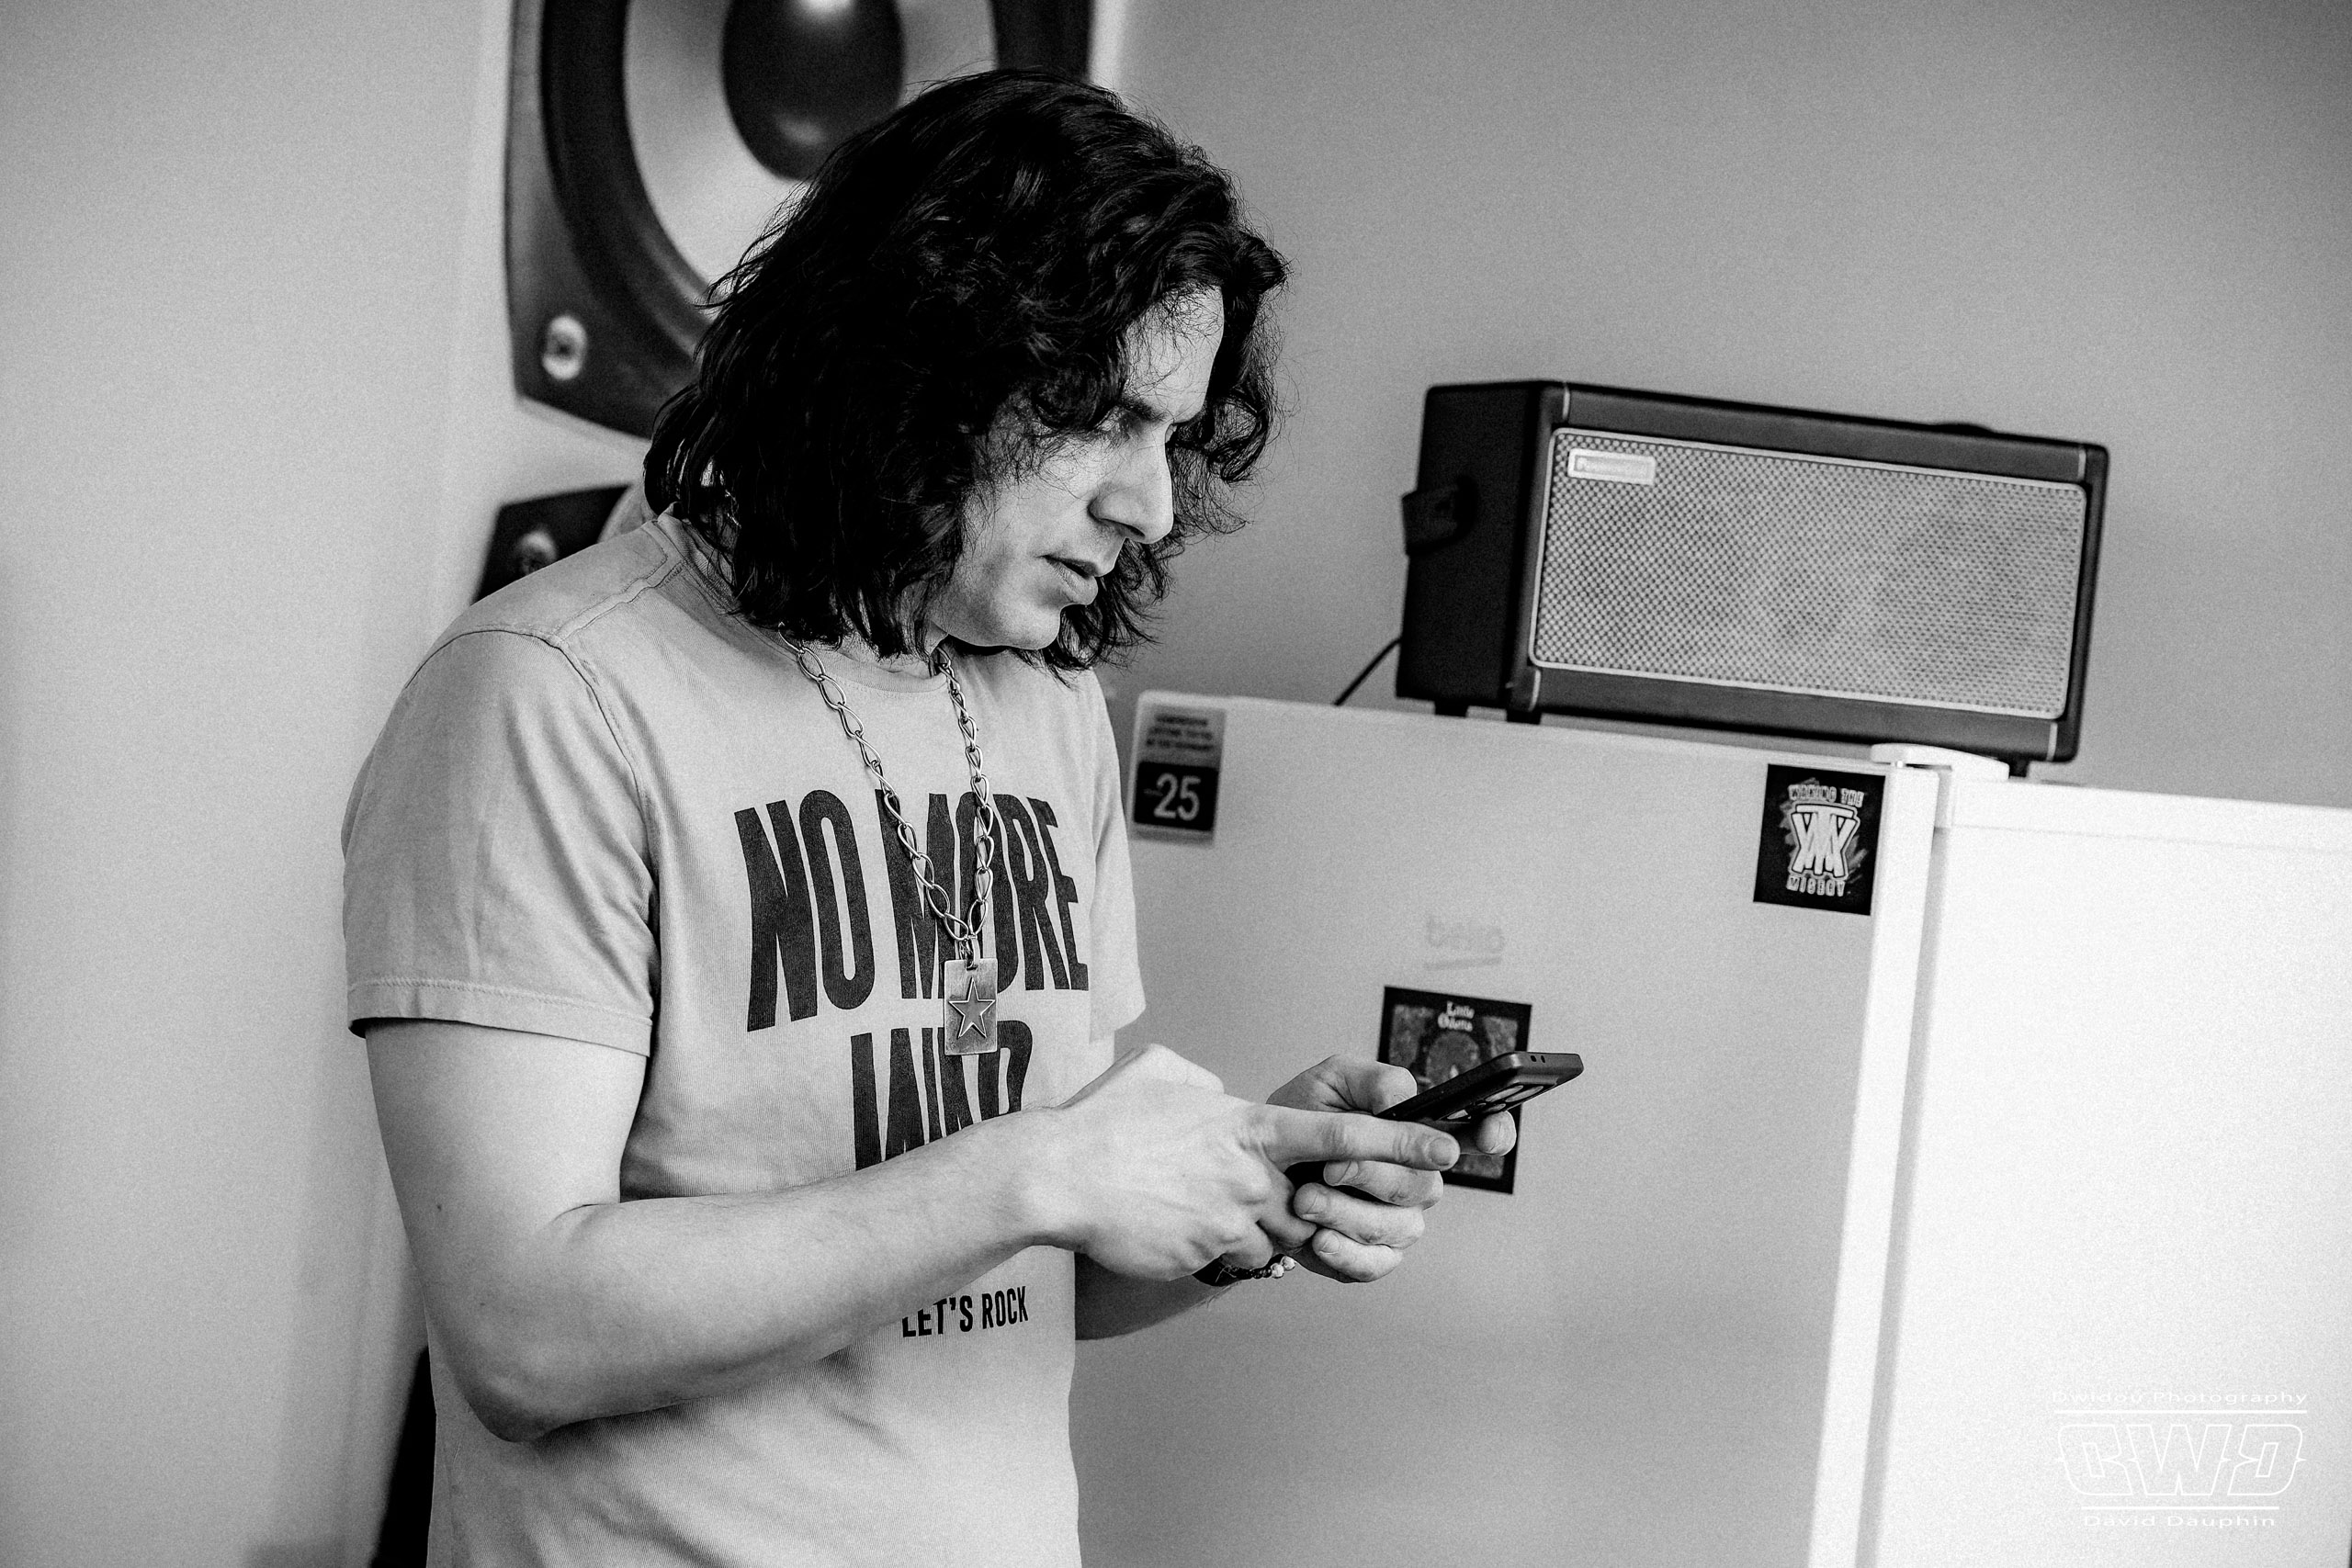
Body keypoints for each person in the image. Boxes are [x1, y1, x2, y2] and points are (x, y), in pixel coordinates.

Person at [343, 69, 1511, 1567]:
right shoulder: (547, 695)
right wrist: (1040, 1168)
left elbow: (1018, 1281)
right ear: (910, 372)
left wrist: (1240, 1197)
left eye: (1174, 437)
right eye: (1103, 420)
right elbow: (523, 1333)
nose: (1153, 505)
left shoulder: (1046, 708)